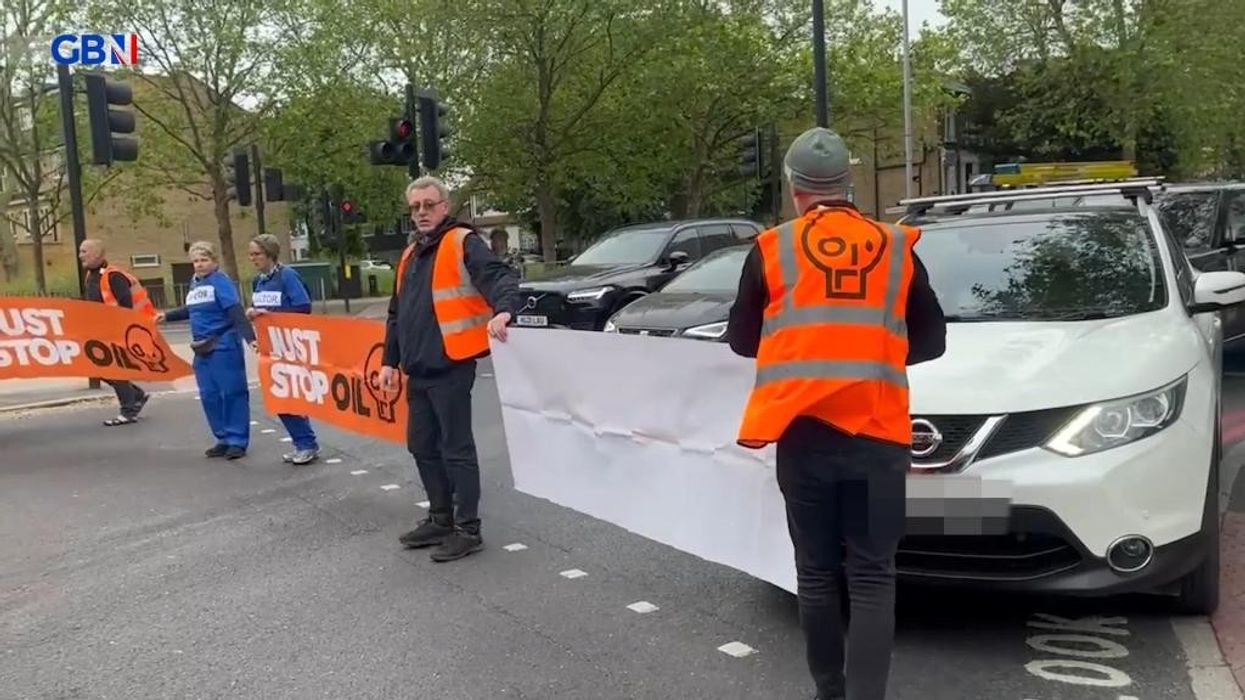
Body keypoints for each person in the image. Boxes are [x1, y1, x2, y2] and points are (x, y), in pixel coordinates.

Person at [725, 127, 947, 700]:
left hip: (803, 436)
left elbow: (741, 340)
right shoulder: (896, 247)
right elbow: (932, 340)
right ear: (849, 183)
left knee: (817, 574)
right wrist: (873, 350)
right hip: (878, 435)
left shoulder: (772, 249)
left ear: (794, 187)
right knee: (874, 575)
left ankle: (829, 691)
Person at [379, 176, 521, 563]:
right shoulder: (410, 255)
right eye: (415, 207)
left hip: (452, 363)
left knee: (456, 448)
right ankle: (440, 519)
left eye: (429, 204)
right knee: (421, 445)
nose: (421, 212)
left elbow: (499, 276)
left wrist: (505, 308)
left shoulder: (462, 242)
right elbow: (397, 313)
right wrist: (389, 361)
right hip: (418, 368)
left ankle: (467, 529)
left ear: (445, 206)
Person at [156, 241, 256, 460]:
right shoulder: (195, 283)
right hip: (201, 346)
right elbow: (192, 309)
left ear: (214, 261)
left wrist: (250, 338)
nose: (199, 265)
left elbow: (234, 310)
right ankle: (222, 437)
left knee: (232, 392)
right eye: (195, 261)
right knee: (209, 394)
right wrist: (168, 316)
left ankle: (237, 440)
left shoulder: (220, 282)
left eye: (204, 260)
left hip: (223, 343)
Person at [245, 234, 320, 465]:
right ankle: (302, 442)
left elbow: (303, 306)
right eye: (251, 254)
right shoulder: (258, 281)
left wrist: (267, 314)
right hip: (270, 347)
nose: (253, 258)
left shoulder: (287, 276)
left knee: (289, 397)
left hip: (290, 346)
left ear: (270, 253)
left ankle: (306, 444)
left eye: (257, 254)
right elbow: (261, 309)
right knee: (279, 397)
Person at [78, 238, 154, 426]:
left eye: (84, 251)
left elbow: (125, 306)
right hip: (102, 331)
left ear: (97, 254)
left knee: (114, 369)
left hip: (120, 331)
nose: (80, 256)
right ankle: (136, 395)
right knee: (97, 368)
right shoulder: (91, 276)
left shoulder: (113, 276)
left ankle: (128, 411)